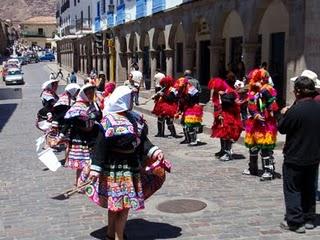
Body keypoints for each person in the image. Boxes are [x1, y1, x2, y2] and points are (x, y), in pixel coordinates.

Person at [87, 86, 168, 240]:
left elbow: (143, 141)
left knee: (120, 206)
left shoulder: (134, 118)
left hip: (130, 168)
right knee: (120, 206)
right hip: (115, 169)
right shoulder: (108, 121)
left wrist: (154, 151)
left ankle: (113, 235)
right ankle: (117, 236)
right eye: (130, 98)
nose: (132, 100)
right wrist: (95, 169)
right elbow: (100, 147)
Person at [278, 76, 320, 233]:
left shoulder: (295, 110)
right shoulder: (317, 107)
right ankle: (309, 217)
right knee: (309, 187)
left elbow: (282, 128)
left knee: (293, 188)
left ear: (297, 92)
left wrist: (283, 113)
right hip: (314, 155)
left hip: (295, 156)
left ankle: (295, 221)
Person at [61, 83, 102, 187]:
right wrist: (61, 135)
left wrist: (94, 113)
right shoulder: (77, 106)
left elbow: (99, 117)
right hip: (79, 138)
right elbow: (68, 121)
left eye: (92, 92)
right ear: (84, 94)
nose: (91, 94)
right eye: (89, 93)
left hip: (91, 138)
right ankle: (79, 182)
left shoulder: (93, 105)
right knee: (81, 162)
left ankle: (81, 182)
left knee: (88, 161)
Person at [242, 68, 279, 181]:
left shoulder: (268, 89)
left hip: (266, 124)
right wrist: (255, 114)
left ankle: (268, 170)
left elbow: (273, 106)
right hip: (254, 123)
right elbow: (250, 104)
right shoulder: (253, 91)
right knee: (253, 147)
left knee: (265, 148)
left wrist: (264, 93)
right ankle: (253, 168)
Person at [208, 77, 242, 161]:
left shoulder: (230, 91)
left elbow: (232, 104)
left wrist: (223, 95)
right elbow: (216, 105)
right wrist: (217, 115)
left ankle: (228, 152)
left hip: (229, 116)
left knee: (227, 134)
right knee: (221, 133)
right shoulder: (217, 93)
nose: (215, 90)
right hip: (221, 116)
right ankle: (223, 150)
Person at [174, 78, 203, 146]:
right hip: (186, 108)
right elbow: (181, 101)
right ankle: (187, 139)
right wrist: (179, 111)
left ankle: (194, 140)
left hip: (192, 108)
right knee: (183, 123)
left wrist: (186, 97)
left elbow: (194, 99)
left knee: (190, 125)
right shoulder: (181, 91)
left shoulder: (191, 90)